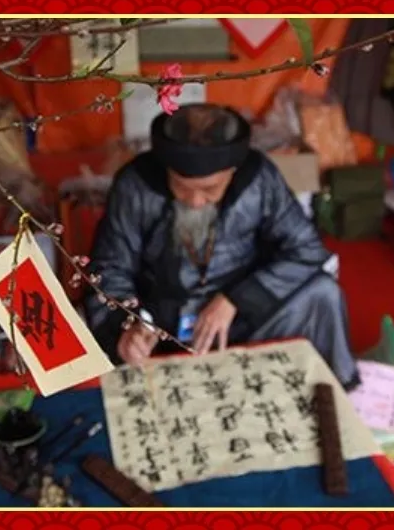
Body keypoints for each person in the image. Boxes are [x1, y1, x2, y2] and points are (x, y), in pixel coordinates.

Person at [85, 103, 359, 389]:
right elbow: (109, 269)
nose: (195, 201)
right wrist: (128, 326)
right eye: (182, 187)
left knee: (323, 294)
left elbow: (306, 249)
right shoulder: (135, 185)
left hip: (242, 320)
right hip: (161, 333)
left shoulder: (258, 179)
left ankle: (340, 393)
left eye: (210, 189)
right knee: (97, 344)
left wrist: (235, 299)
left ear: (232, 172)